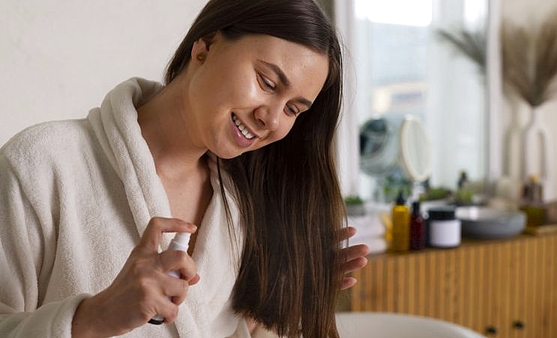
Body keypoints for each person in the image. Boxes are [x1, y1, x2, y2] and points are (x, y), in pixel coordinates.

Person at [0, 0, 369, 337]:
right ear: (205, 45)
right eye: (267, 82)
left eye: (293, 110)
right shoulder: (42, 164)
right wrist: (95, 316)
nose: (270, 118)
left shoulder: (247, 204)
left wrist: (280, 301)